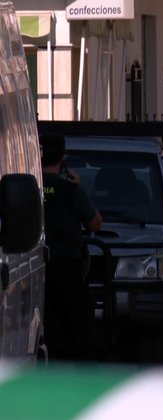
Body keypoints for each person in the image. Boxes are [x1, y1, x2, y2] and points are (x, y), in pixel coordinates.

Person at [41, 133, 103, 360]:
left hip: (33, 273)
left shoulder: (29, 188)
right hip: (67, 273)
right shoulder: (70, 190)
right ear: (62, 159)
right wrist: (78, 187)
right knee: (81, 337)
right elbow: (96, 223)